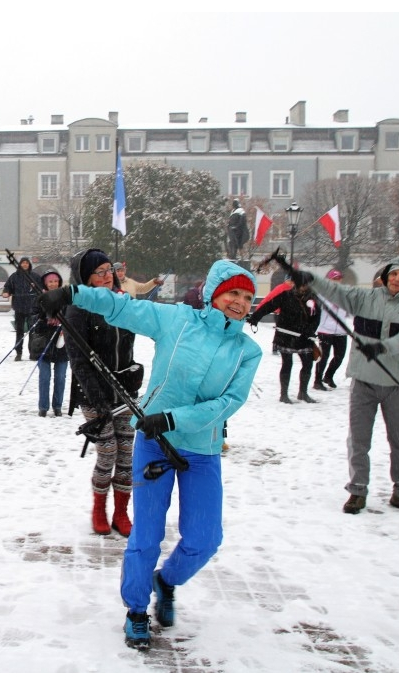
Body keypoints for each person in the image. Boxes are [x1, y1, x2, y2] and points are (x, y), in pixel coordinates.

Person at [38, 258, 261, 651]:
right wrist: (73, 293)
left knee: (205, 539)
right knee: (147, 534)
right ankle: (136, 610)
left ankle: (167, 581)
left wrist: (173, 419)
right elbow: (121, 306)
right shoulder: (176, 320)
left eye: (247, 296)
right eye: (233, 293)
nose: (240, 302)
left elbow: (230, 401)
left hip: (201, 449)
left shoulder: (247, 351)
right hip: (154, 445)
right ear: (214, 294)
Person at [287, 255, 399, 517]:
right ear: (385, 276)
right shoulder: (366, 298)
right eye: (394, 274)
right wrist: (311, 278)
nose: (397, 279)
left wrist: (382, 347)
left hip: (395, 383)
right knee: (359, 440)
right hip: (363, 380)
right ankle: (358, 490)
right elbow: (336, 290)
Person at [65, 249, 141, 538]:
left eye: (111, 269)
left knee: (126, 455)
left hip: (125, 390)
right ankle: (99, 508)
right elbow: (78, 360)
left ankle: (121, 511)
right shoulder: (78, 308)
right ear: (86, 277)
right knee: (107, 452)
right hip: (93, 392)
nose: (108, 275)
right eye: (101, 272)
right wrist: (98, 399)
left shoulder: (123, 303)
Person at [248, 275, 321, 403]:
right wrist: (255, 318)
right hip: (285, 336)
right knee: (287, 364)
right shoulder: (285, 295)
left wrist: (310, 331)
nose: (303, 287)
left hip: (304, 336)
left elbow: (316, 317)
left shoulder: (313, 298)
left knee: (308, 363)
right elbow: (268, 306)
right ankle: (284, 394)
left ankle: (303, 393)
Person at [29, 269, 68, 418]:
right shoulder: (40, 297)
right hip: (43, 342)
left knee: (60, 376)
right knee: (44, 377)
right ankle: (43, 407)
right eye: (50, 281)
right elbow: (33, 317)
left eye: (55, 281)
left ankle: (57, 406)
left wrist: (65, 324)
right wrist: (44, 319)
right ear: (45, 283)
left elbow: (72, 315)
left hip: (62, 341)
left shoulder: (66, 297)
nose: (53, 284)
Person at [313, 269, 349, 391]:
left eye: (338, 279)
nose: (336, 281)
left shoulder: (345, 294)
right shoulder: (321, 294)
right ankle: (317, 381)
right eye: (333, 279)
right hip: (325, 330)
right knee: (324, 356)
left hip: (341, 331)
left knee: (340, 357)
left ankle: (328, 376)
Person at [1, 255, 38, 360]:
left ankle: (33, 353)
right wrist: (6, 292)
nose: (25, 264)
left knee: (33, 331)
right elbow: (7, 287)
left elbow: (41, 287)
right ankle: (19, 353)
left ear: (29, 264)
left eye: (26, 263)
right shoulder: (14, 276)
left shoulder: (35, 276)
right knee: (19, 331)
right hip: (19, 307)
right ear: (20, 264)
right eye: (23, 263)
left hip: (32, 308)